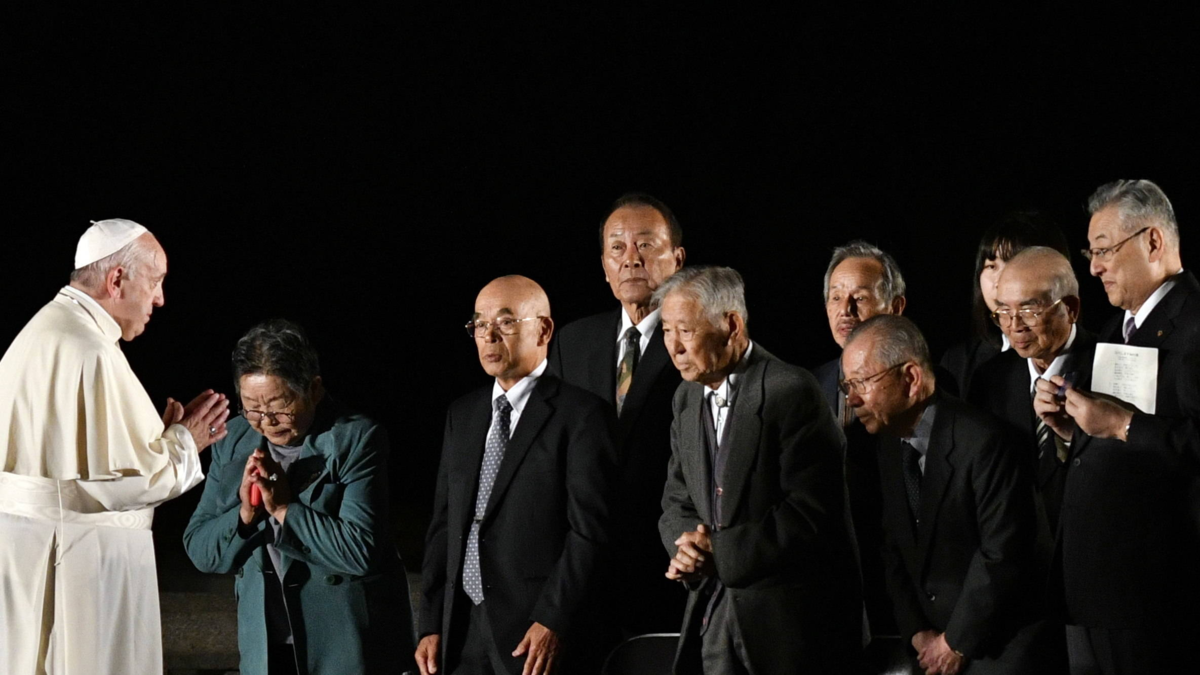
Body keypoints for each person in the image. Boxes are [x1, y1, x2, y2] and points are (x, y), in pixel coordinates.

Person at [0, 219, 230, 675]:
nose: (160, 299)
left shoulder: (45, 331)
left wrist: (154, 439)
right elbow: (130, 481)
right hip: (79, 561)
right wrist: (186, 441)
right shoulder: (89, 348)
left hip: (27, 552)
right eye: (155, 281)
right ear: (117, 279)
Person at [656, 266, 862, 674]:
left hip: (790, 629)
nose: (674, 347)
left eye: (686, 331)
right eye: (666, 330)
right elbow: (676, 500)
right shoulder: (685, 398)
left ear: (731, 325)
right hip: (713, 618)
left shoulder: (791, 390)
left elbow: (809, 513)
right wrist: (686, 549)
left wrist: (720, 553)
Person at [184, 319, 413, 674]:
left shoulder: (356, 438)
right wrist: (245, 517)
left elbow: (360, 551)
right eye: (252, 407)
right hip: (267, 648)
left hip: (345, 646)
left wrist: (284, 509)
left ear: (314, 389)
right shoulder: (234, 440)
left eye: (280, 405)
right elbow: (201, 550)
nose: (266, 421)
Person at [417, 275, 618, 675]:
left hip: (533, 632)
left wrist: (554, 619)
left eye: (506, 322)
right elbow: (444, 525)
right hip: (461, 629)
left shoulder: (581, 415)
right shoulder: (463, 414)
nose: (489, 336)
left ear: (543, 330)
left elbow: (590, 532)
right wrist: (431, 622)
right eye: (479, 324)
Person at [842, 315, 1065, 674]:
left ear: (911, 378)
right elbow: (893, 547)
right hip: (931, 650)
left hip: (1001, 651)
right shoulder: (887, 444)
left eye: (861, 382)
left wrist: (955, 642)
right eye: (847, 385)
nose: (851, 399)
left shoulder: (986, 442)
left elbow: (1003, 554)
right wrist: (917, 633)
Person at [1041, 179, 1200, 673]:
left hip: (1153, 600)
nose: (1093, 267)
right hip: (1094, 594)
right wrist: (1071, 430)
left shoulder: (1194, 325)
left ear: (1152, 241)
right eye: (1091, 253)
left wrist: (1124, 425)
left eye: (1104, 249)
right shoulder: (1118, 327)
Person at [548, 192, 687, 636]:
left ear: (678, 259)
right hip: (585, 572)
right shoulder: (572, 342)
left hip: (669, 569)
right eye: (617, 247)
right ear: (604, 266)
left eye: (645, 245)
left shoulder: (698, 341)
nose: (631, 259)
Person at [809, 240, 906, 642]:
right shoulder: (808, 386)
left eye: (859, 298)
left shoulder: (921, 385)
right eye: (835, 297)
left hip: (901, 591)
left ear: (895, 307)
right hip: (826, 590)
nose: (844, 310)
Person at [968, 247, 1095, 532]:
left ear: (1070, 309)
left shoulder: (1108, 367)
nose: (1014, 326)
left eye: (1029, 310)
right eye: (1003, 311)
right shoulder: (990, 378)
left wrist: (1069, 439)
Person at [940, 211, 1071, 396]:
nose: (1000, 281)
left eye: (1013, 264)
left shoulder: (1096, 353)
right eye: (991, 266)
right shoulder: (957, 362)